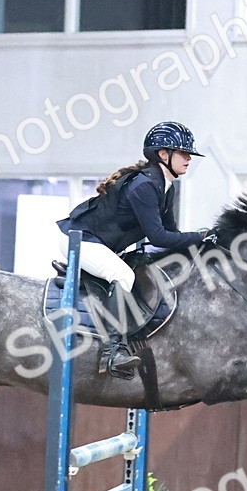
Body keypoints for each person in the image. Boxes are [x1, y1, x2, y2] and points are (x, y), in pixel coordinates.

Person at [57, 121, 214, 378]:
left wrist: (201, 242)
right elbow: (159, 237)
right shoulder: (144, 187)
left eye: (189, 154)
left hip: (98, 242)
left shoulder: (166, 186)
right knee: (124, 275)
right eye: (184, 153)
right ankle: (111, 353)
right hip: (79, 240)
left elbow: (171, 234)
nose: (189, 159)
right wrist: (200, 236)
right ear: (164, 155)